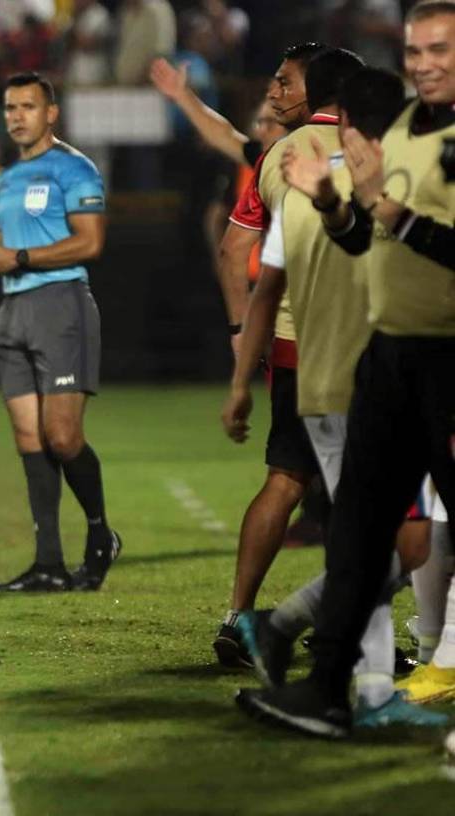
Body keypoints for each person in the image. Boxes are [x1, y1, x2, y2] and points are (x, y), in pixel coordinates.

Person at [237, 1, 455, 737]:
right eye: (415, 49)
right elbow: (366, 243)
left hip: (444, 359)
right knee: (366, 534)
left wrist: (388, 214)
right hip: (386, 358)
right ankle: (333, 687)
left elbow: (410, 234)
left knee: (413, 539)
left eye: (440, 49)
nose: (423, 61)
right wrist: (336, 203)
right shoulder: (398, 135)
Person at [0, 72, 120, 594]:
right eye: (9, 107)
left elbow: (89, 243)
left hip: (61, 304)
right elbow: (16, 241)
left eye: (27, 107)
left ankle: (101, 536)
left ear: (50, 113)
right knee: (29, 439)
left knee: (63, 437)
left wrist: (17, 256)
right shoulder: (9, 177)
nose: (16, 116)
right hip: (12, 308)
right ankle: (48, 563)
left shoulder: (73, 168)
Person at [207, 42, 329, 668]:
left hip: (289, 347)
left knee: (285, 477)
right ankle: (346, 630)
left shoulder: (279, 156)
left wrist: (240, 332)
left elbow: (235, 253)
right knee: (391, 503)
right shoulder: (379, 149)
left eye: (285, 83)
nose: (275, 94)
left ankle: (238, 616)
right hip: (366, 348)